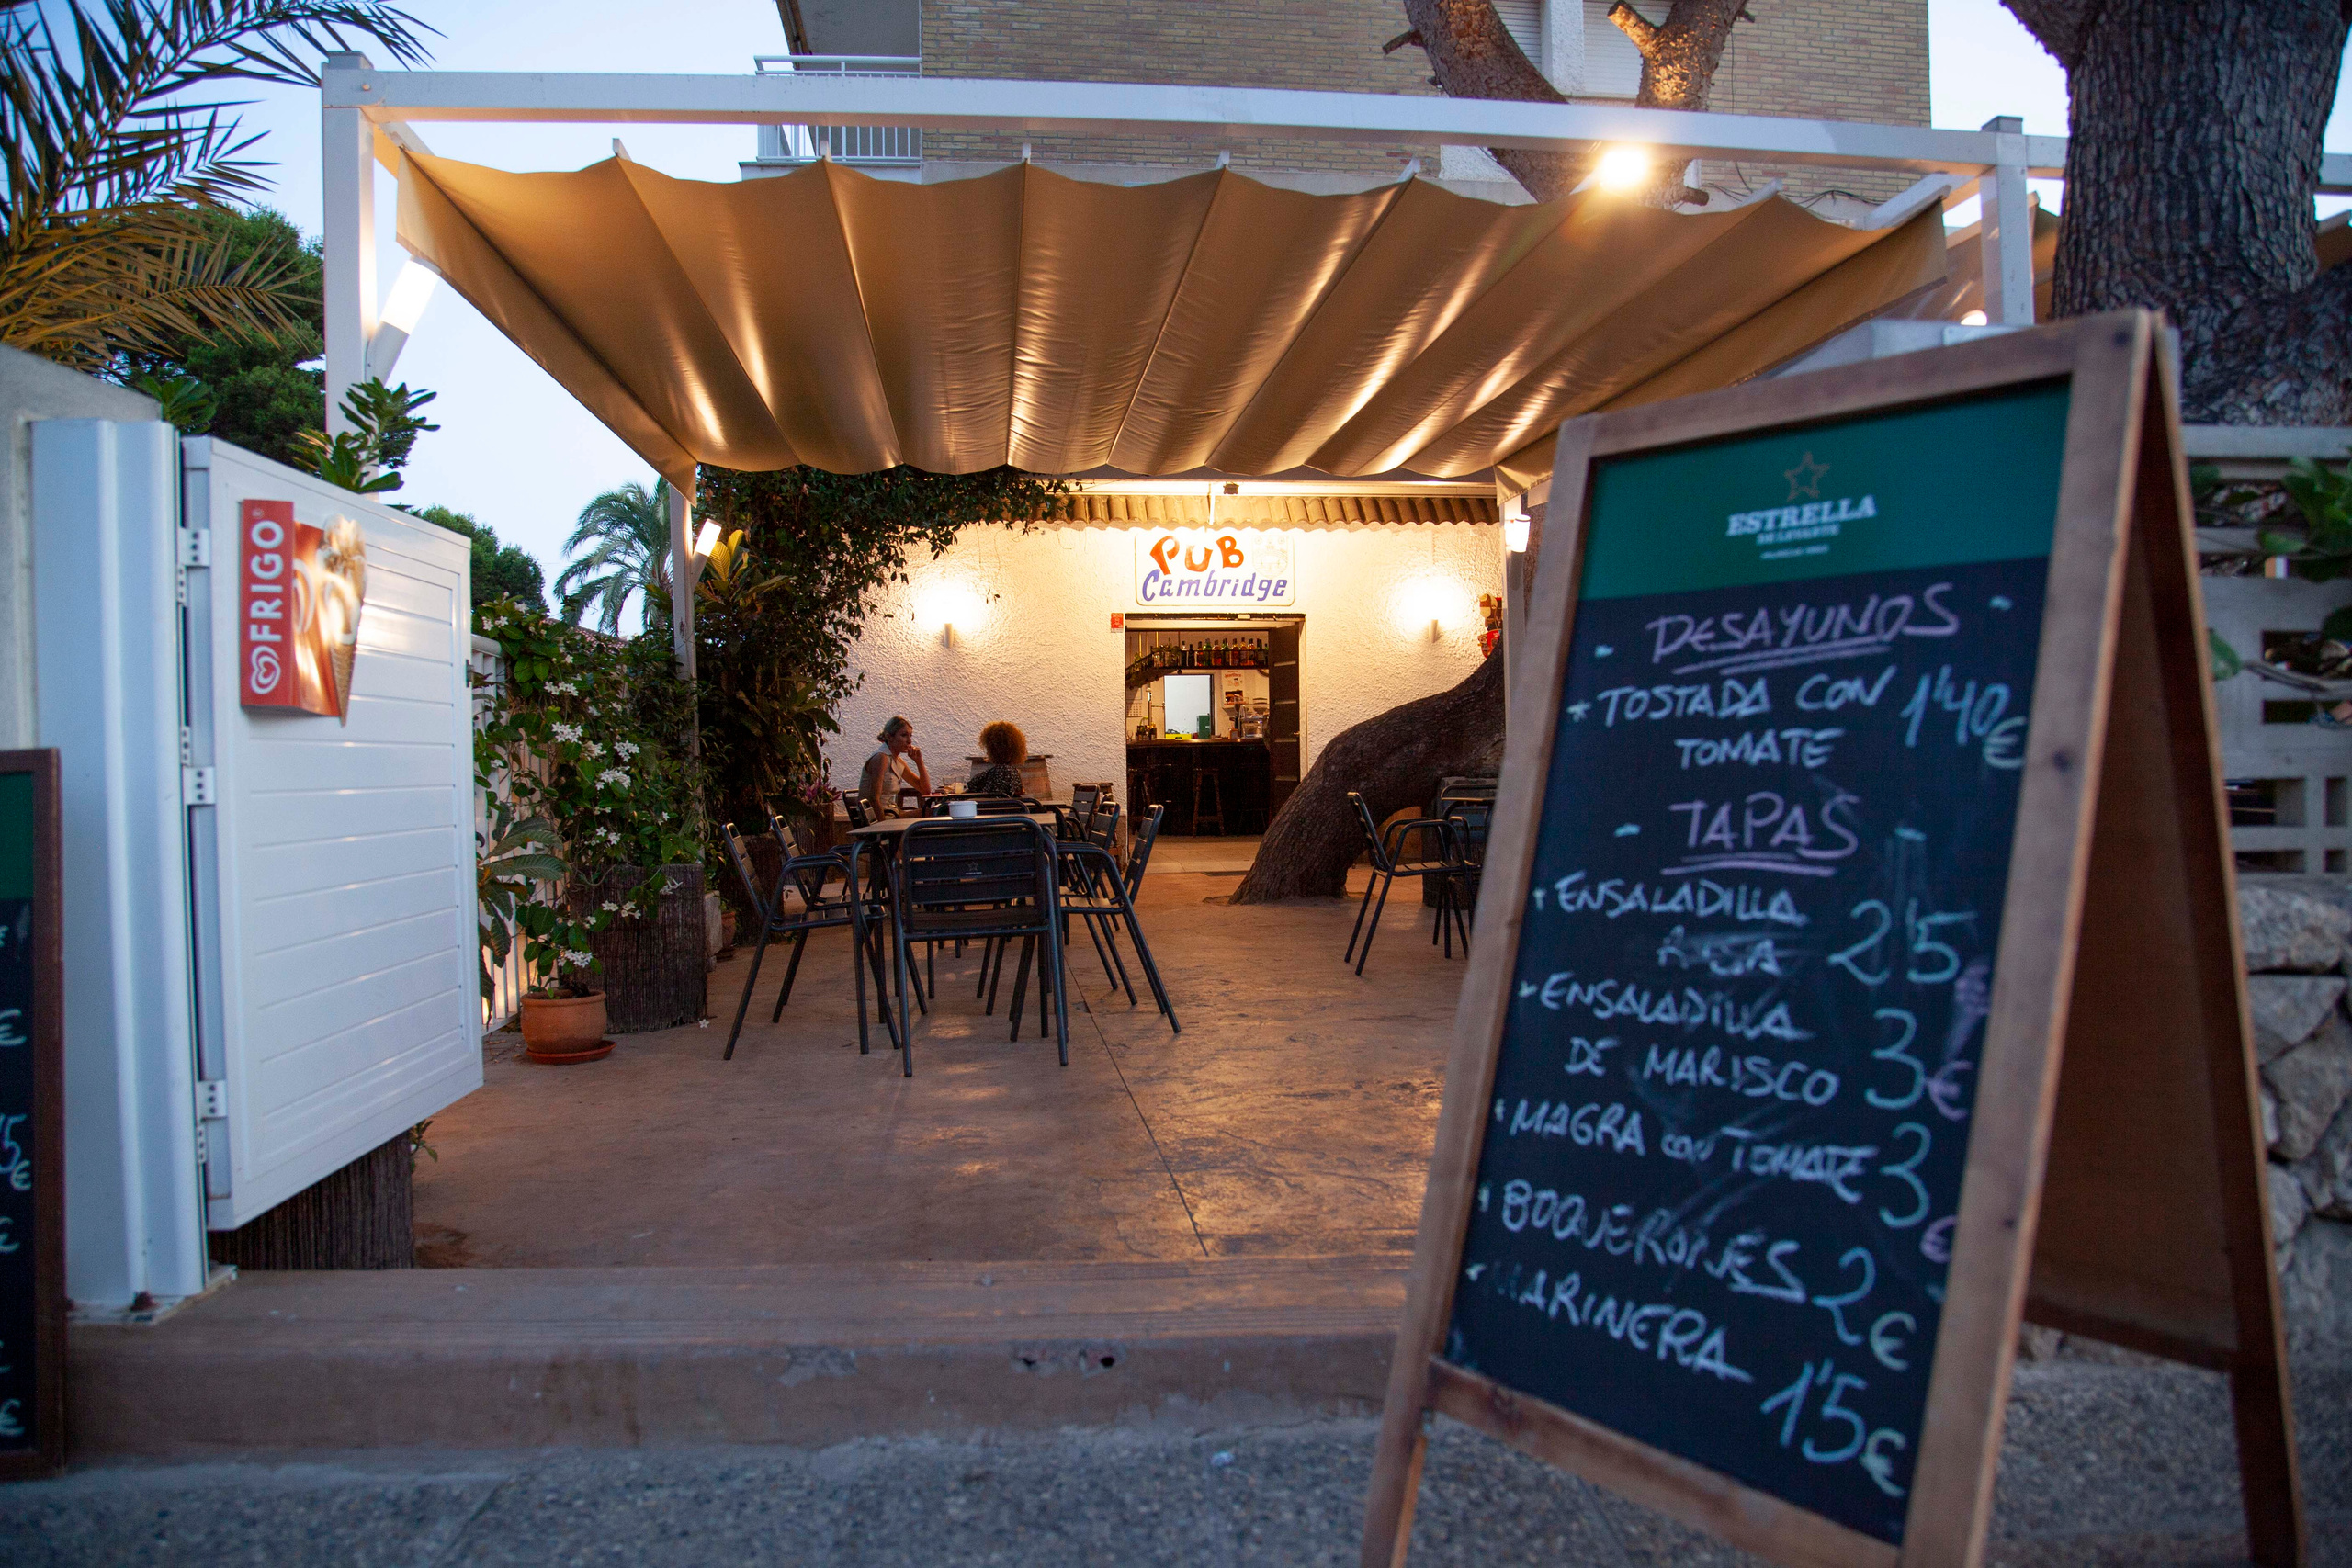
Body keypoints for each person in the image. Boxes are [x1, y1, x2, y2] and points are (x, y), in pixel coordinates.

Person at [859, 716, 933, 818]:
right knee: (935, 813)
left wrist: (919, 762)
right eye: (904, 735)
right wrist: (883, 829)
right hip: (881, 818)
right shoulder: (881, 758)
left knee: (937, 812)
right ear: (889, 737)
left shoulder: (897, 760)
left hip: (893, 813)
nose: (909, 741)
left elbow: (925, 791)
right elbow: (874, 798)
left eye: (910, 735)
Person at [967, 721, 1027, 797]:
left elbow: (988, 799)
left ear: (992, 749)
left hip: (987, 808)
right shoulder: (1013, 773)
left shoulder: (997, 773)